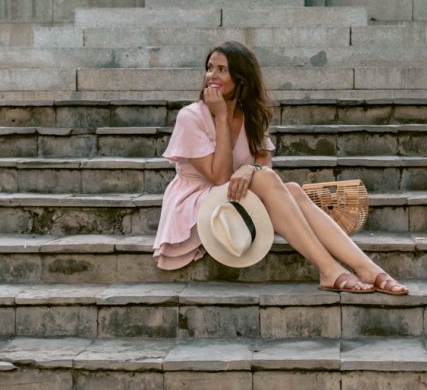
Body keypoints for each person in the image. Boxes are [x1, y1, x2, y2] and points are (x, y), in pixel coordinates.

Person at [153, 41, 408, 294]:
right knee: (268, 180)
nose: (212, 76)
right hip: (197, 203)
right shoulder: (191, 116)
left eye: (222, 69)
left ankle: (367, 269)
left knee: (294, 190)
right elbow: (219, 177)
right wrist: (220, 116)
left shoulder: (249, 114)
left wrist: (249, 169)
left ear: (241, 78)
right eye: (210, 68)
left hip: (234, 197)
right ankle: (330, 269)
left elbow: (263, 164)